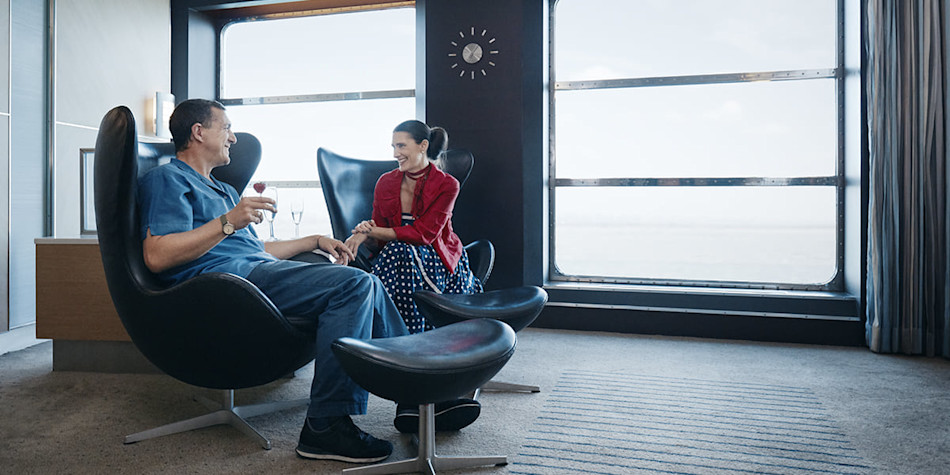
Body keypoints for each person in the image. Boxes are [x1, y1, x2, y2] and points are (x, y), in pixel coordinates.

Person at [137, 98, 408, 464]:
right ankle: (326, 426)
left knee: (363, 281)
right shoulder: (167, 179)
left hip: (255, 272)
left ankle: (414, 393)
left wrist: (314, 239)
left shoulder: (224, 191)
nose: (233, 138)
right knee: (353, 284)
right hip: (225, 287)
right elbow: (157, 255)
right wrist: (228, 221)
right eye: (227, 128)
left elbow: (257, 249)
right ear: (198, 132)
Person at [344, 120, 484, 433]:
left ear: (422, 146)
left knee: (402, 254)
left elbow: (425, 234)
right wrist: (364, 234)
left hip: (440, 262)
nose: (395, 153)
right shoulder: (385, 182)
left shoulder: (448, 184)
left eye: (401, 146)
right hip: (399, 264)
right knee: (397, 255)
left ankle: (411, 391)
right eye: (393, 146)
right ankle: (424, 390)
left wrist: (370, 230)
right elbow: (381, 239)